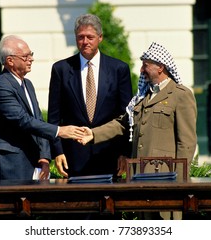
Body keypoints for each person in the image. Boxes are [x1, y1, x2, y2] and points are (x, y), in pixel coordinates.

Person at [79, 41, 197, 219]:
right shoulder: (143, 97)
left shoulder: (180, 95)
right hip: (140, 179)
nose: (141, 70)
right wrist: (93, 133)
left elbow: (186, 143)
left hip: (165, 180)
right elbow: (122, 124)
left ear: (160, 67)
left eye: (145, 65)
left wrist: (178, 182)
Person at [0, 35, 84, 181]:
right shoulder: (0, 86)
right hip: (7, 164)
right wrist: (59, 131)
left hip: (28, 162)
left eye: (31, 54)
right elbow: (23, 120)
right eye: (25, 56)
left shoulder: (27, 84)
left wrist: (44, 157)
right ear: (10, 61)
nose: (31, 59)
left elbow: (38, 119)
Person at [48, 13, 133, 178]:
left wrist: (125, 152)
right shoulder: (61, 69)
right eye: (80, 37)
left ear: (100, 38)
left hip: (110, 155)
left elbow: (127, 117)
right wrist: (57, 152)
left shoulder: (118, 69)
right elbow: (54, 117)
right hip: (73, 157)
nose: (85, 41)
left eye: (90, 37)